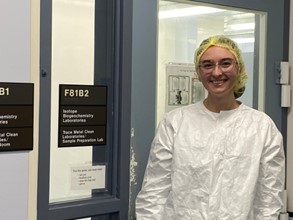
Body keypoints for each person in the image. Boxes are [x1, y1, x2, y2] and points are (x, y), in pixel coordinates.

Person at [135, 35, 285, 219]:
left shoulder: (262, 127)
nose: (216, 73)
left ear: (239, 68)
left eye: (225, 63)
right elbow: (154, 191)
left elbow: (269, 199)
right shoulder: (175, 123)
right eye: (207, 65)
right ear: (198, 73)